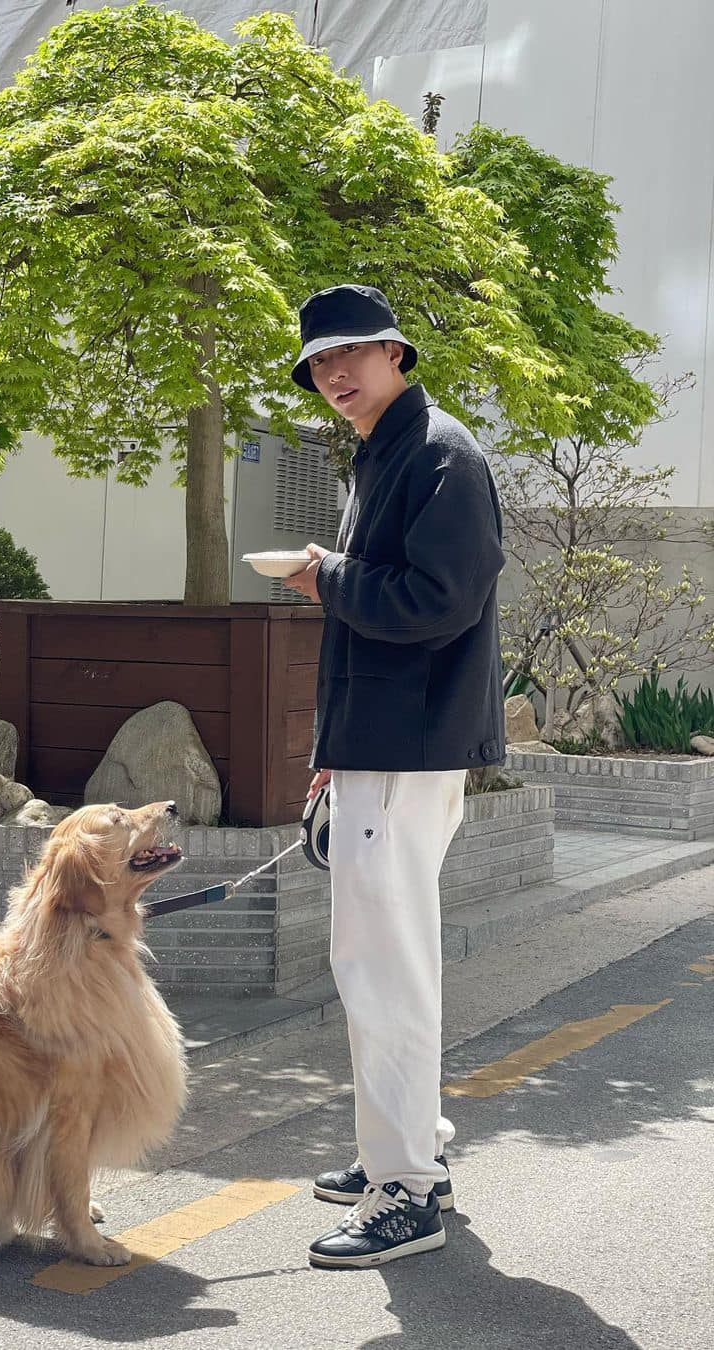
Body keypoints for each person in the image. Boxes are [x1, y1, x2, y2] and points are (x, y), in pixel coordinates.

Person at [284, 283, 506, 1269]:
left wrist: (325, 577)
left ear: (396, 354)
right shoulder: (393, 451)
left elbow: (439, 601)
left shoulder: (439, 454)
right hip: (387, 747)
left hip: (407, 749)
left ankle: (406, 1188)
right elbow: (385, 618)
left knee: (384, 972)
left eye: (352, 352)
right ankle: (412, 1154)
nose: (334, 373)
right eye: (319, 362)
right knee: (388, 963)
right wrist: (335, 750)